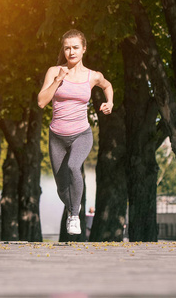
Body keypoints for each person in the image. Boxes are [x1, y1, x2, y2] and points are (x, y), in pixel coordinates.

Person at [38, 29, 113, 235]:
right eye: (67, 48)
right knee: (62, 189)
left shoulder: (93, 76)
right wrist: (58, 80)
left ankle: (73, 216)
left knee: (73, 166)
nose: (71, 52)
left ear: (84, 49)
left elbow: (107, 85)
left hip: (81, 133)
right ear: (64, 50)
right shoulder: (54, 71)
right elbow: (41, 101)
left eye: (75, 47)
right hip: (57, 137)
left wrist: (110, 102)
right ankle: (73, 205)